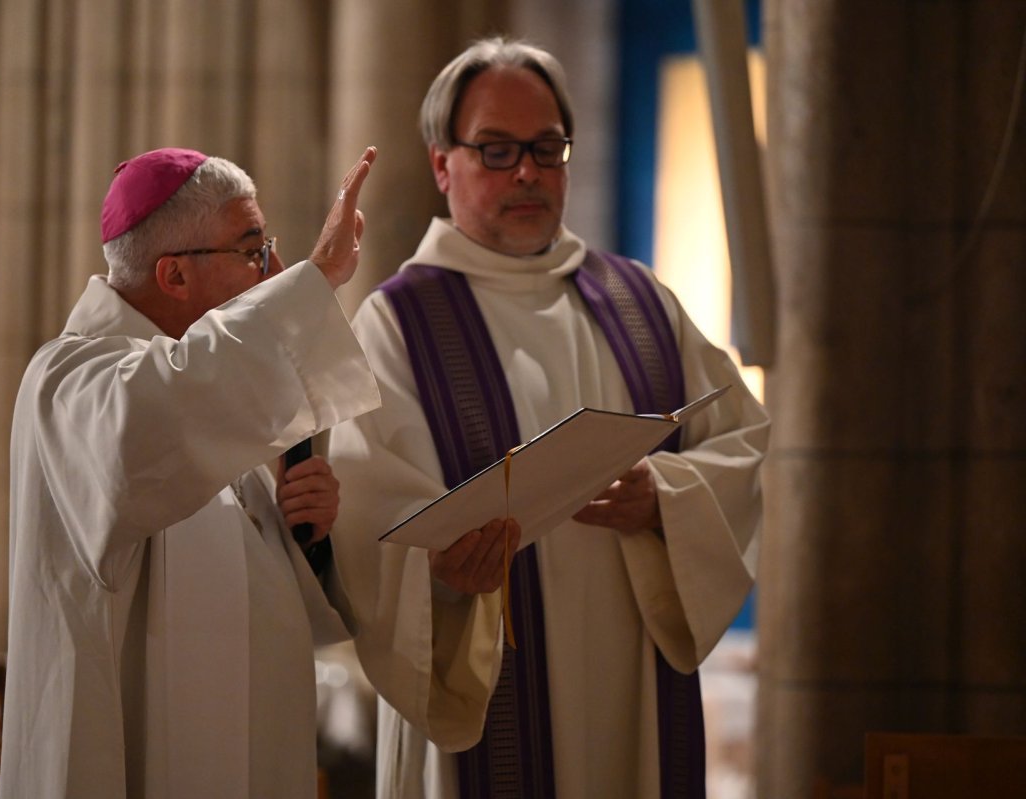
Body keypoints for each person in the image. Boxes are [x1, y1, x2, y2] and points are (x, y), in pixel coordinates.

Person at [327, 37, 769, 798]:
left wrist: (666, 496)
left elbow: (748, 442)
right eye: (496, 150)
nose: (527, 172)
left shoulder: (640, 304)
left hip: (632, 679)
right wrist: (436, 572)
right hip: (480, 686)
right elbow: (364, 515)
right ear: (442, 163)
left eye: (546, 148)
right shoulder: (398, 324)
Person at [0, 145, 380, 798]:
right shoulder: (70, 383)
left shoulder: (211, 404)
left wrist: (307, 536)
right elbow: (162, 411)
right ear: (175, 276)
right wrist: (310, 285)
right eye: (252, 250)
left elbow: (292, 616)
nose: (271, 274)